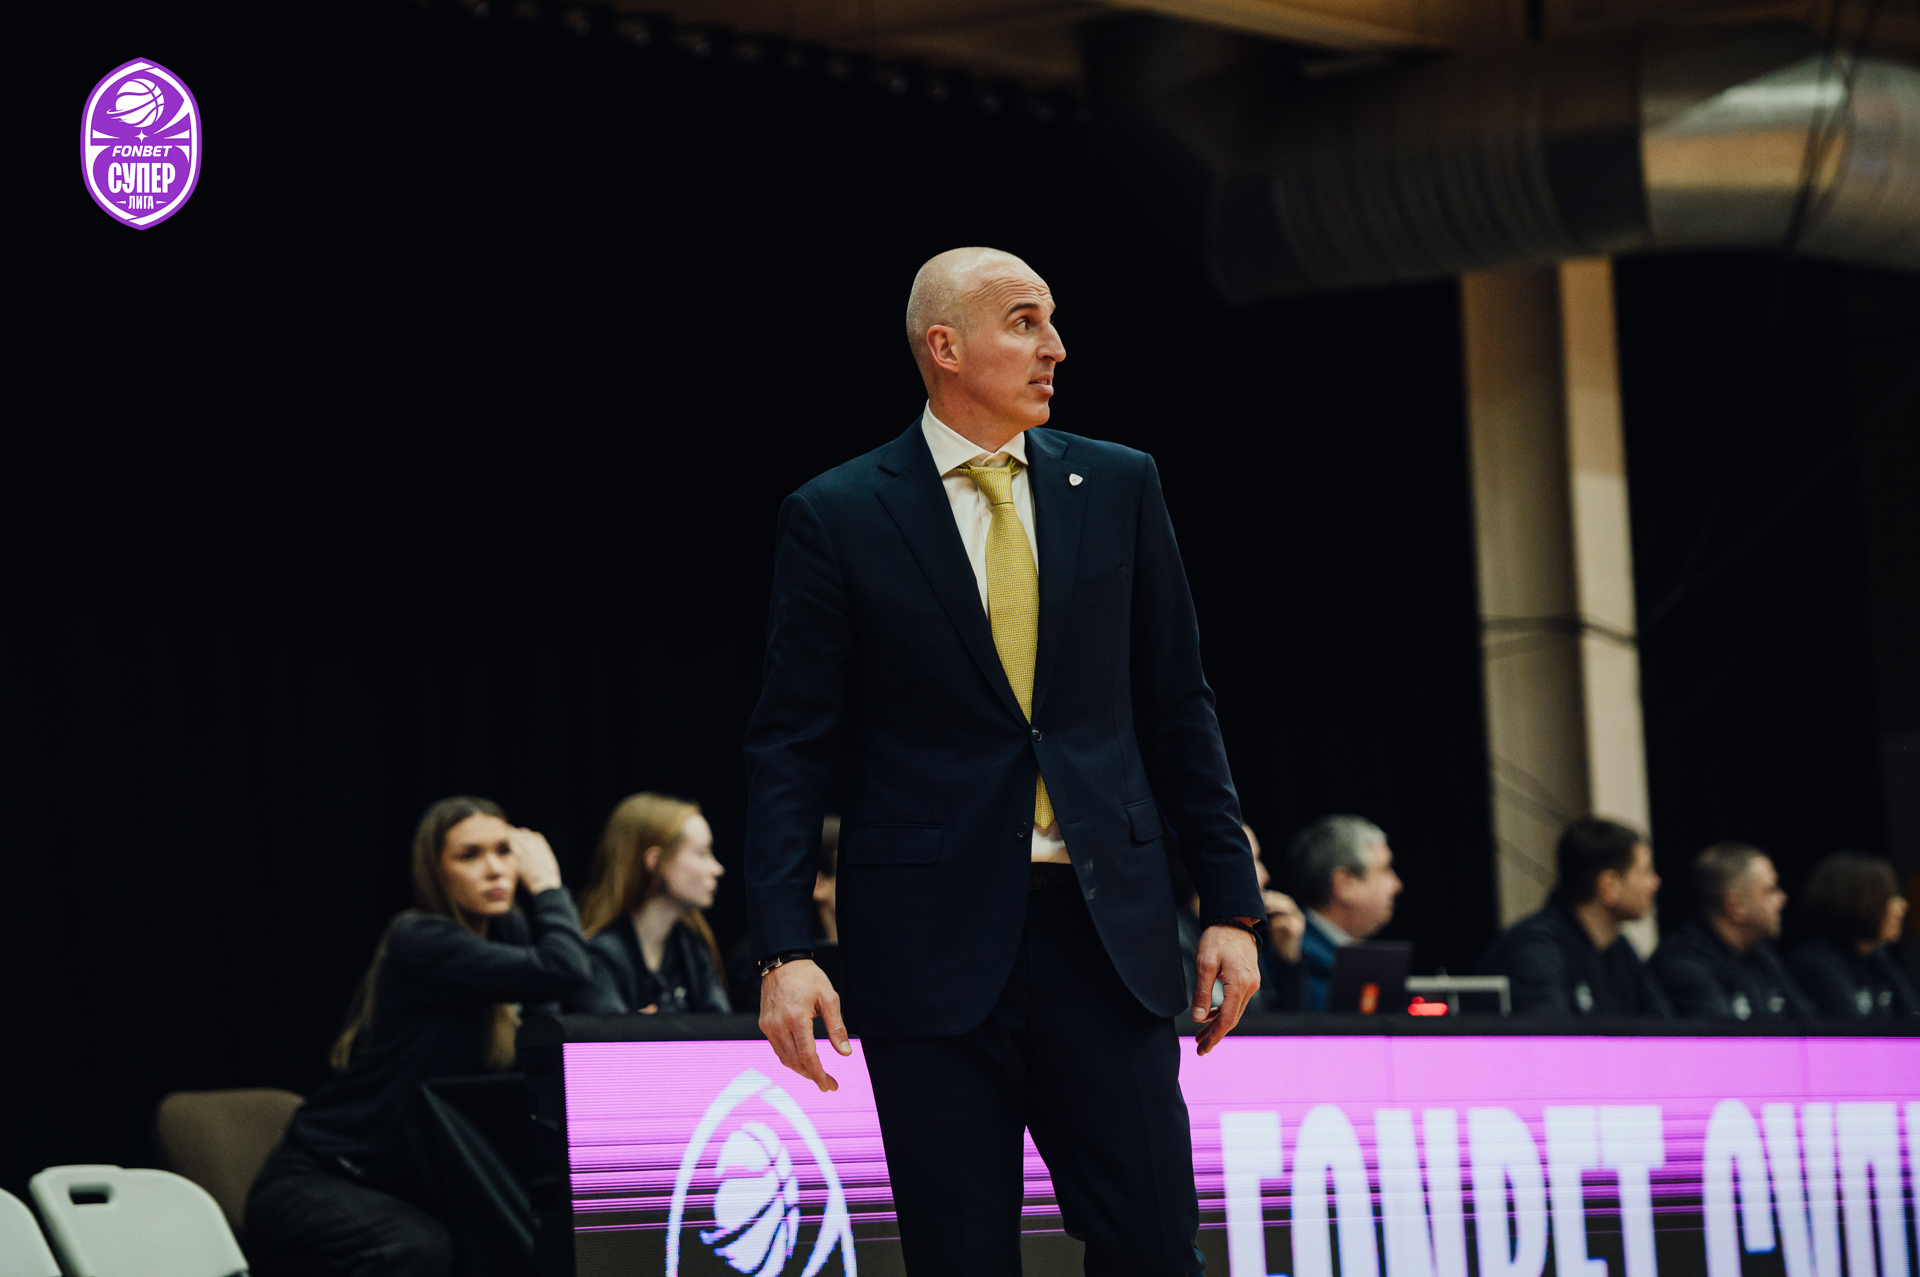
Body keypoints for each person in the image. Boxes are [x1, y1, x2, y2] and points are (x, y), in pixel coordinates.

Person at [744, 246, 1266, 1275]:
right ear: (945, 346)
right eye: (1025, 322)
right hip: (927, 944)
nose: (1055, 347)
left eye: (1052, 321)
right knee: (960, 1255)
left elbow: (1179, 705)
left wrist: (1232, 906)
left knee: (1157, 1246)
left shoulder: (1118, 482)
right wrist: (784, 947)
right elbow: (790, 744)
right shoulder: (837, 512)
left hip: (1105, 935)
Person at [248, 797, 594, 1277]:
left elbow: (545, 1042)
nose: (495, 869)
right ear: (436, 871)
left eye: (504, 850)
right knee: (418, 1247)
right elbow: (565, 968)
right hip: (322, 1178)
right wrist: (548, 886)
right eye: (470, 855)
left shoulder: (507, 936)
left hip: (403, 1188)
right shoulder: (420, 940)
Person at [1482, 816, 1672, 1017]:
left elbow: (1663, 1026)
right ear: (1609, 886)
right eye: (1645, 872)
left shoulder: (1619, 950)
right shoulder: (1534, 950)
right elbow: (1549, 1033)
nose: (1655, 883)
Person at [572, 792, 730, 1015]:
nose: (717, 869)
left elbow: (722, 1028)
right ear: (656, 861)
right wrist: (639, 1031)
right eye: (702, 853)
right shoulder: (597, 956)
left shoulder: (691, 948)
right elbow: (607, 1035)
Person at [1649, 842, 1813, 1020]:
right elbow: (1723, 1035)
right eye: (1770, 890)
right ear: (1736, 906)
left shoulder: (1763, 956)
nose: (1782, 899)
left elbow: (1809, 1025)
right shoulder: (1682, 962)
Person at [1177, 825, 1307, 1011]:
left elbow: (1280, 1024)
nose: (1265, 876)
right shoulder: (1172, 939)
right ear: (1217, 868)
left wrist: (1288, 961)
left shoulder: (1244, 932)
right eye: (1252, 861)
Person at [1285, 815, 1403, 1010]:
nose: (1397, 885)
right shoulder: (1297, 958)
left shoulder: (1326, 954)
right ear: (1345, 884)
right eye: (1385, 869)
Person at [1788, 851, 1918, 1018]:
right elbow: (1852, 1030)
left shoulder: (1878, 958)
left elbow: (1912, 1019)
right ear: (1858, 902)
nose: (1901, 906)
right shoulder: (1817, 962)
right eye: (1888, 896)